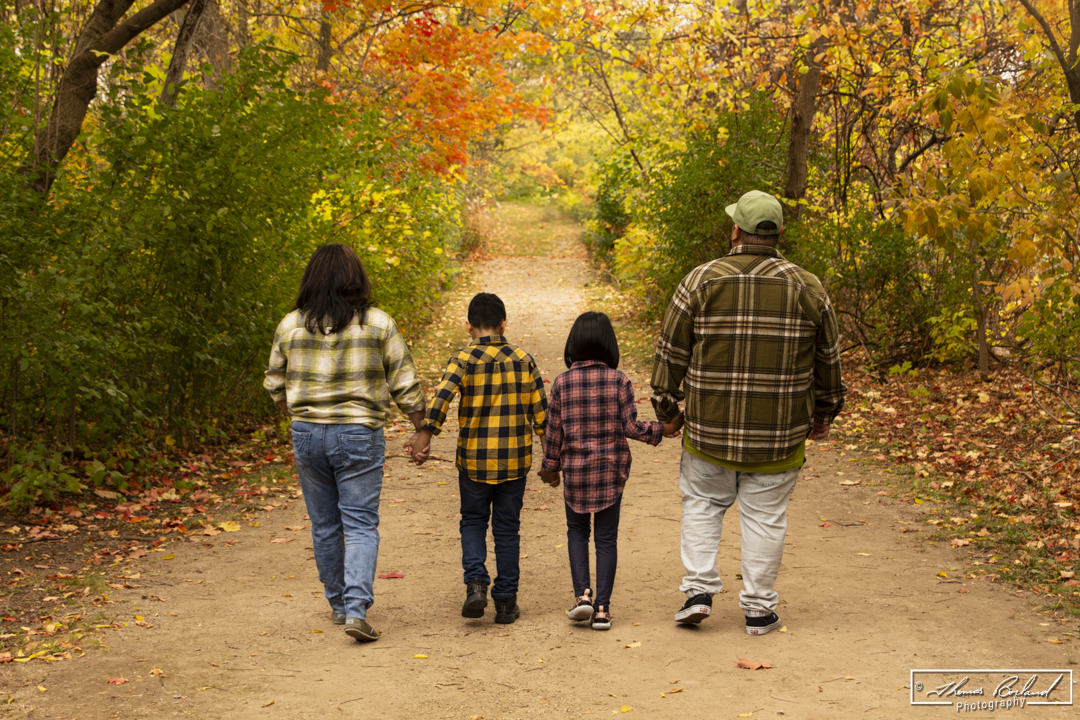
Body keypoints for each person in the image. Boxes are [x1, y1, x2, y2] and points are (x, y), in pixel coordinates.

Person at [651, 190, 847, 635]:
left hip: (708, 433)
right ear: (778, 235)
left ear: (735, 230)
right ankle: (758, 609)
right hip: (778, 437)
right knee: (765, 519)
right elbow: (829, 363)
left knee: (702, 506)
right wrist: (824, 415)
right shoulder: (808, 287)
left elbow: (670, 355)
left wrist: (667, 408)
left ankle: (698, 592)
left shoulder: (700, 280)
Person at [264, 244, 428, 643]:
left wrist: (300, 409)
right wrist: (421, 426)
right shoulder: (378, 324)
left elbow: (274, 384)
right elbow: (404, 383)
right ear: (357, 278)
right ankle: (356, 610)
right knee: (359, 524)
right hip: (358, 433)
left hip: (306, 431)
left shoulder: (290, 325)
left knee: (324, 525)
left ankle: (338, 605)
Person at [538, 312, 683, 631]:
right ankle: (602, 609)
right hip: (609, 475)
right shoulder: (619, 380)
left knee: (577, 532)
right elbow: (631, 426)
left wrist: (550, 467)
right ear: (609, 344)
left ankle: (583, 597)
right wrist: (664, 428)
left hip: (575, 475)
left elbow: (553, 432)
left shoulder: (562, 382)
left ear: (573, 344)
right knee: (606, 539)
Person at [409, 293, 547, 624]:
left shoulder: (463, 358)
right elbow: (541, 411)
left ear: (469, 326)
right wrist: (550, 456)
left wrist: (422, 439)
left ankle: (475, 584)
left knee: (472, 521)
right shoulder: (523, 359)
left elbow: (442, 397)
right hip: (514, 462)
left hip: (473, 461)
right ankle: (505, 601)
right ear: (503, 324)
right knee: (507, 528)